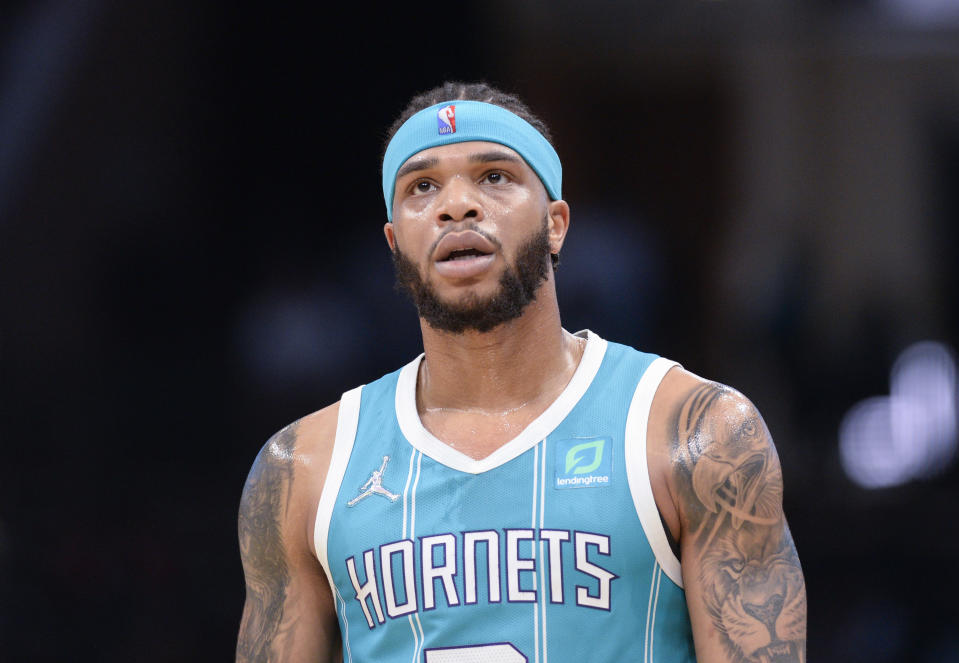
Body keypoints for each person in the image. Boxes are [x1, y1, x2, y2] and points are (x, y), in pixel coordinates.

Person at [236, 81, 808, 663]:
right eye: (422, 186)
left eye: (494, 177)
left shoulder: (697, 434)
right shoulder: (303, 468)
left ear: (556, 223)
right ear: (393, 241)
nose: (456, 205)